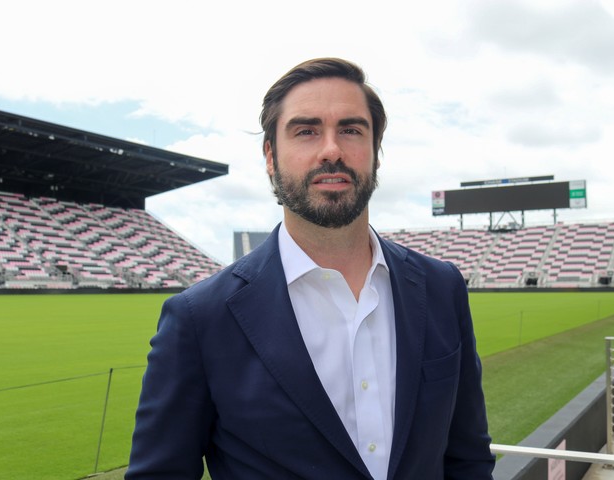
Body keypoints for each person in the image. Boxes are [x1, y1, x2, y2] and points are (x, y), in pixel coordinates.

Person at [126, 57, 495, 479]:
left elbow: (468, 457)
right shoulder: (200, 319)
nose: (331, 150)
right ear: (270, 155)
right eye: (306, 131)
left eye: (351, 130)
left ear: (375, 152)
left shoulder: (440, 287)